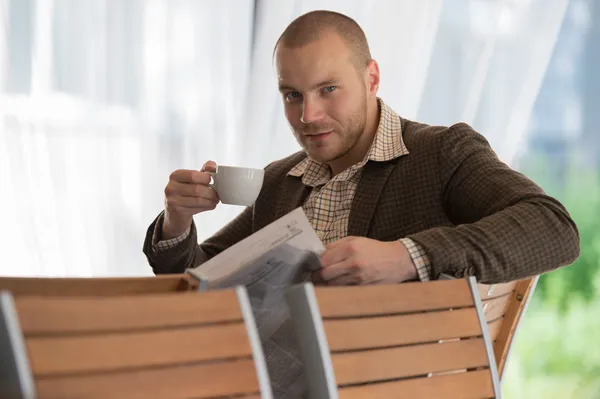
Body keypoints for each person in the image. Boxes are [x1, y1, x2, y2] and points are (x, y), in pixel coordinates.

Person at [143, 10, 580, 398]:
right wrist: (177, 221)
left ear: (371, 78)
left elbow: (555, 228)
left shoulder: (442, 154)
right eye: (292, 95)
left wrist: (407, 257)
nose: (307, 116)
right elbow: (200, 281)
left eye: (328, 89)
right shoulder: (280, 180)